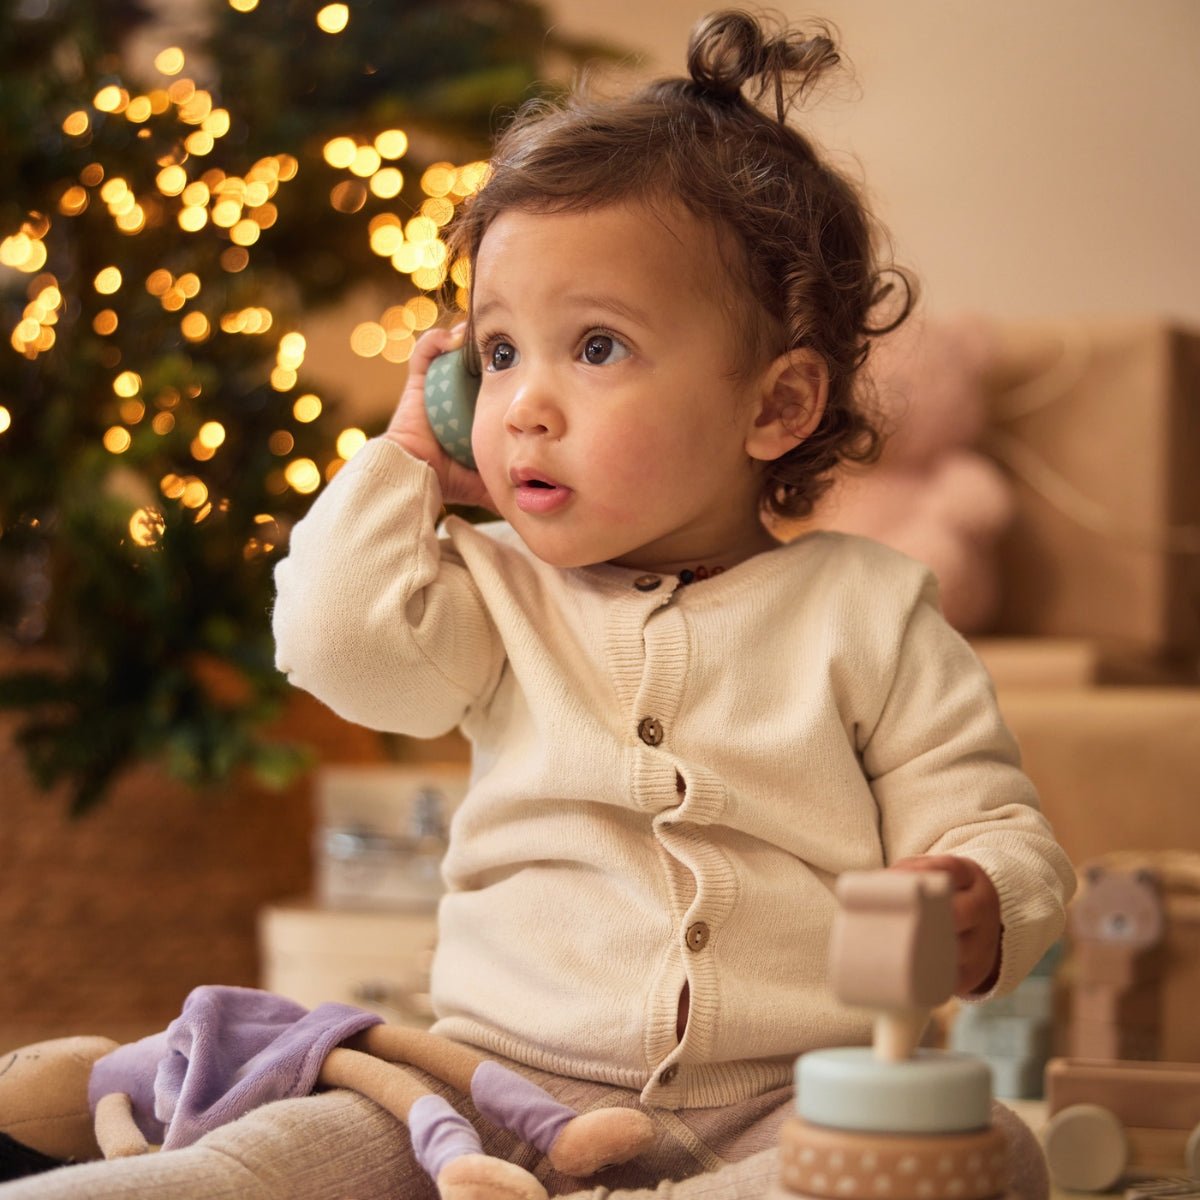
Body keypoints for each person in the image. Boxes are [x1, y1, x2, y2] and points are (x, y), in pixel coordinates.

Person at [269, 8, 1075, 1198]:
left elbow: (989, 820)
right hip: (492, 1092)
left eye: (595, 348)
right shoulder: (491, 592)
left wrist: (982, 894)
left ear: (776, 407)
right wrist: (401, 463)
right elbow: (334, 647)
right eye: (496, 355)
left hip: (789, 1103)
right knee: (288, 1152)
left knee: (985, 1151)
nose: (526, 405)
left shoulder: (869, 608)